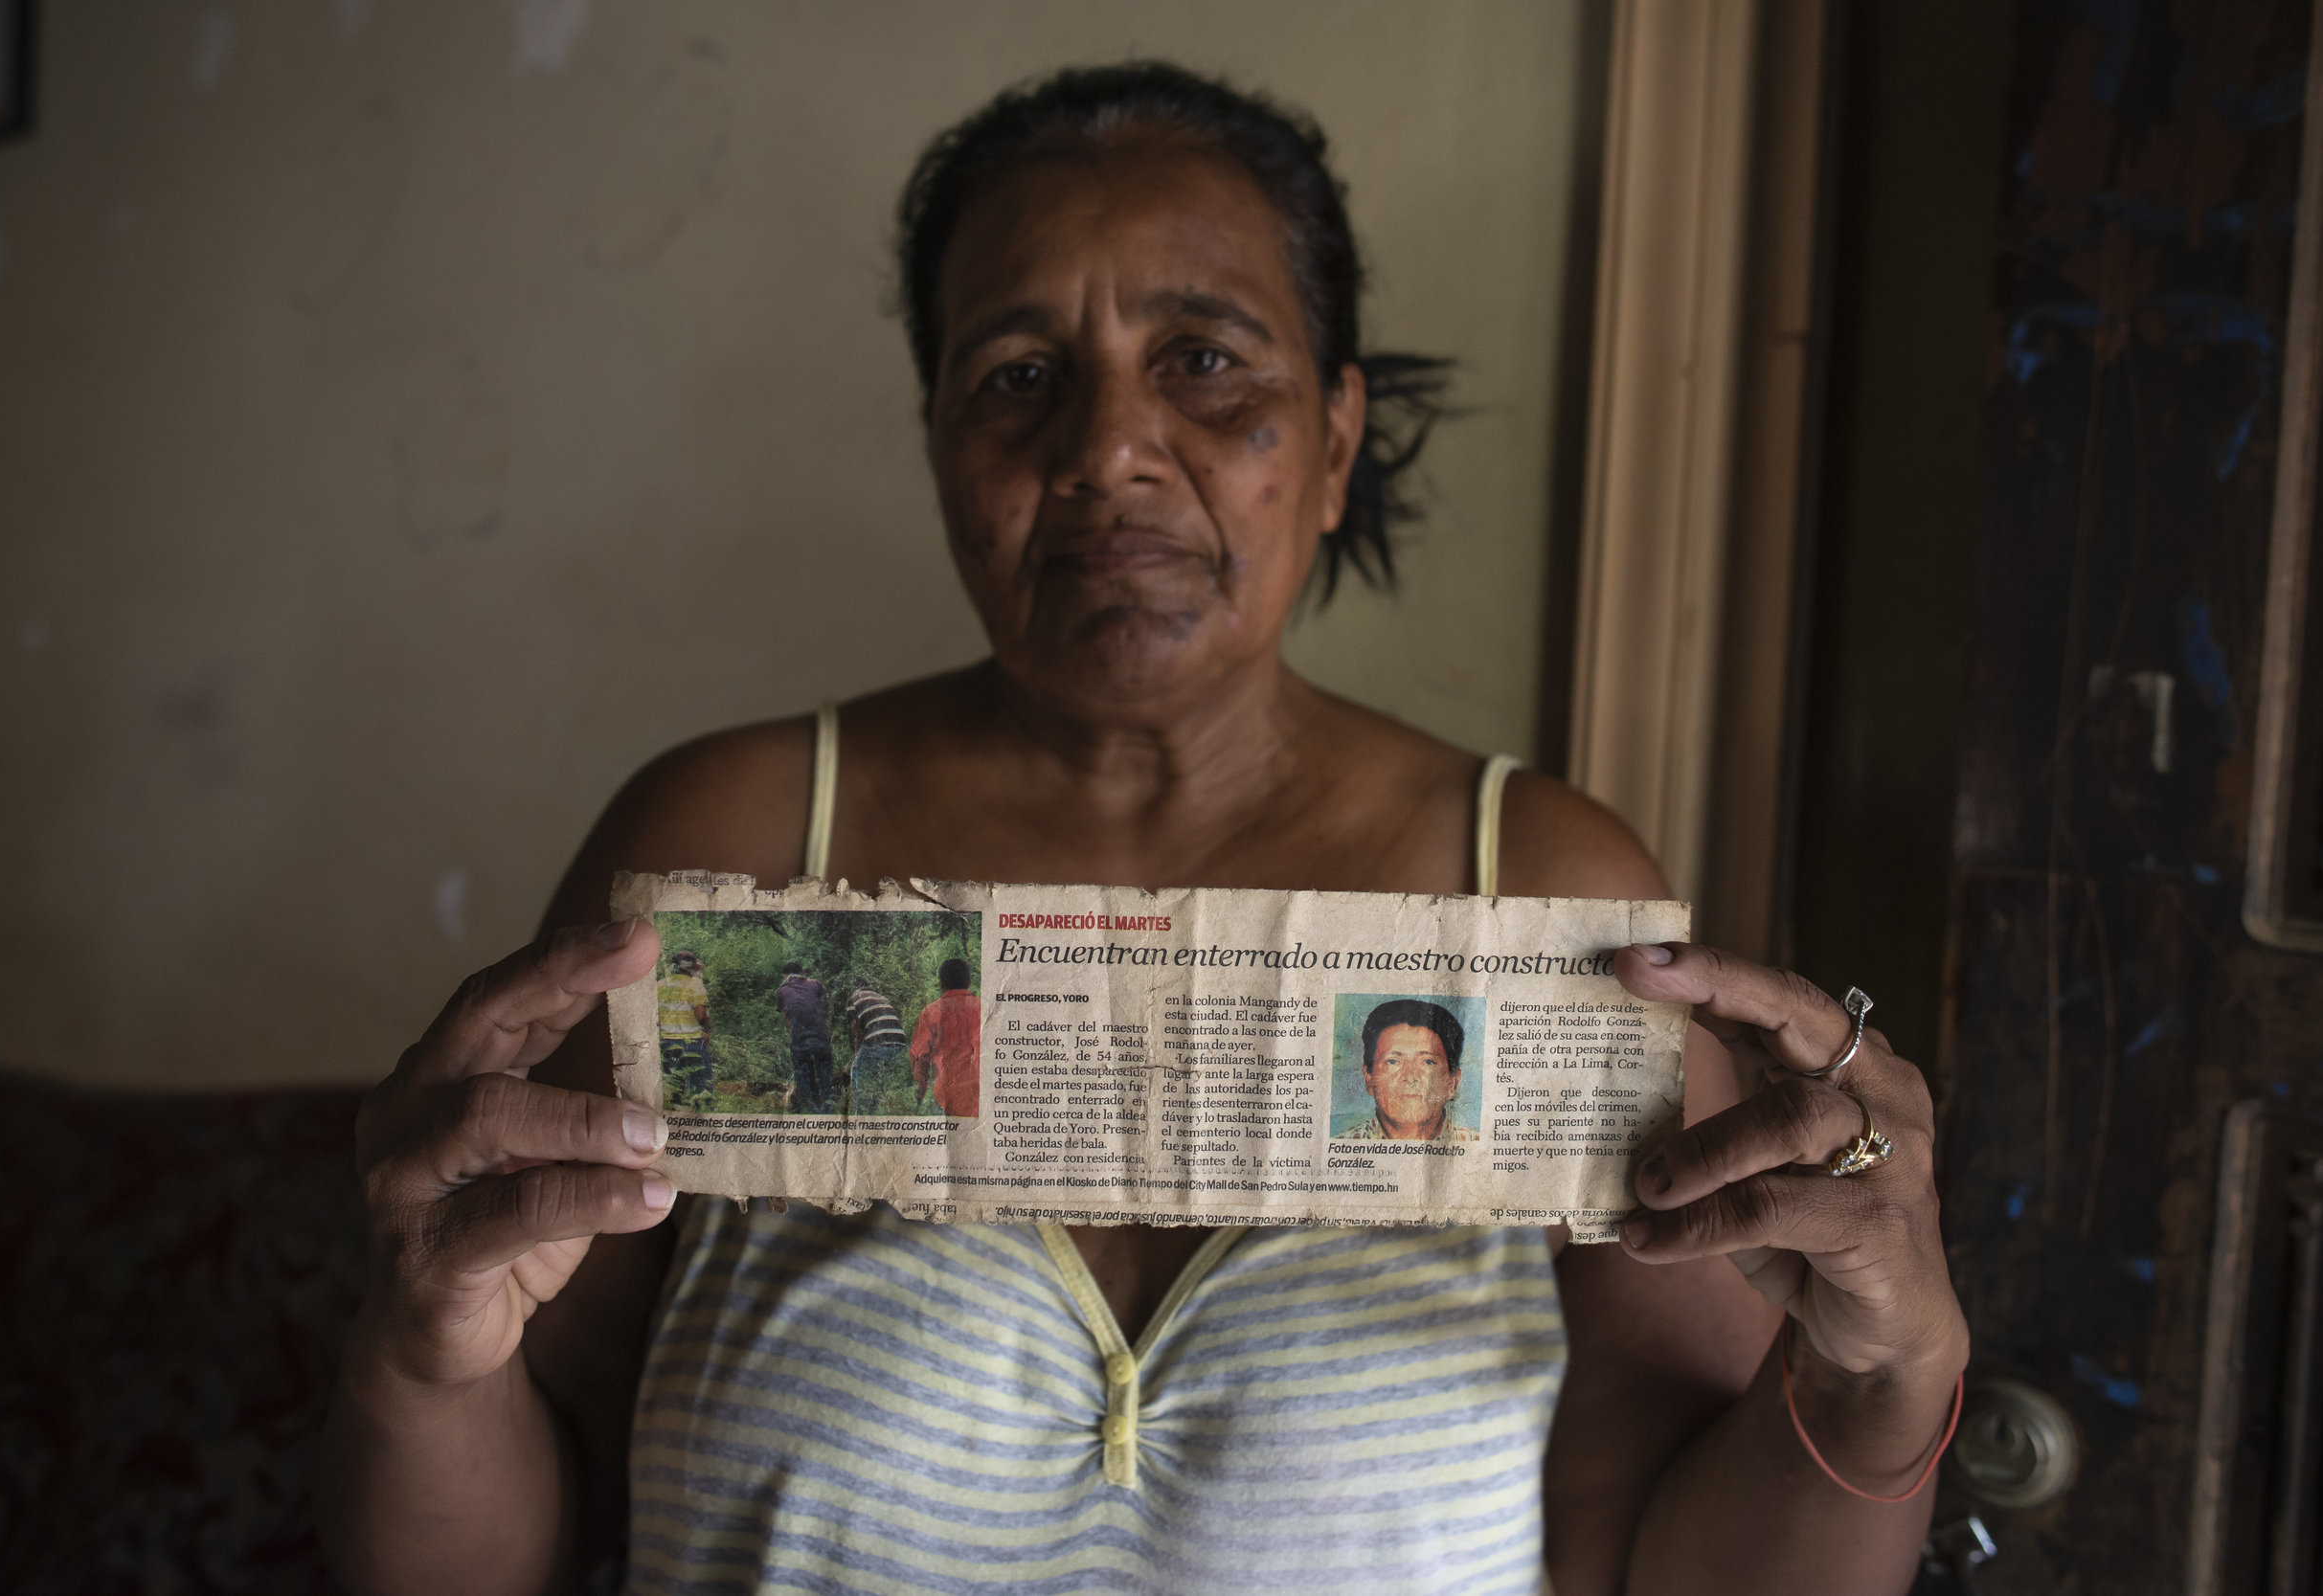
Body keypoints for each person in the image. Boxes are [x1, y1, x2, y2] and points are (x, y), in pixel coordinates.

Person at [318, 62, 1967, 1596]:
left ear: (1332, 439)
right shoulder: (744, 842)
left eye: (1203, 360)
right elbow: (518, 1544)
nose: (1106, 449)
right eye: (1017, 377)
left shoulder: (1538, 890)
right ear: (945, 454)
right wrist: (419, 1353)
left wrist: (1892, 1377)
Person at [1335, 997, 1477, 1141]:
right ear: (1369, 1078)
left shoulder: (1477, 1144)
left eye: (1428, 1062)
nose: (1410, 1077)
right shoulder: (1339, 1145)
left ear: (1452, 1082)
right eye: (1393, 1061)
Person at [908, 955, 981, 1117]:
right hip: (981, 1097)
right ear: (969, 982)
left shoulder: (931, 1011)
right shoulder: (984, 1008)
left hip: (947, 1098)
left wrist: (921, 1087)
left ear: (941, 983)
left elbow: (921, 1056)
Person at [841, 980, 911, 1114]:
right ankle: (874, 1112)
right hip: (900, 1041)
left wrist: (857, 1048)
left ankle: (859, 1115)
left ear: (854, 990)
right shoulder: (881, 998)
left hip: (879, 1040)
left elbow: (855, 1026)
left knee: (857, 1069)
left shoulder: (854, 998)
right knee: (877, 1077)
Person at [771, 960, 832, 1113]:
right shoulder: (815, 984)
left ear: (785, 976)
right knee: (825, 1070)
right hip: (821, 1035)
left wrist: (795, 1035)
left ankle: (810, 1109)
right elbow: (823, 1006)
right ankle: (827, 1107)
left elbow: (787, 1020)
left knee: (802, 1073)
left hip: (800, 1037)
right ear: (802, 972)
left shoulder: (781, 991)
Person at [650, 950, 710, 1100]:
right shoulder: (695, 984)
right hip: (692, 1041)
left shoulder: (660, 985)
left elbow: (655, 1017)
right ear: (692, 967)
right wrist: (707, 1029)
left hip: (666, 1042)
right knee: (699, 1086)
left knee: (673, 1086)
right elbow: (700, 1014)